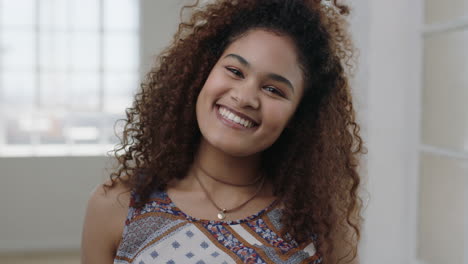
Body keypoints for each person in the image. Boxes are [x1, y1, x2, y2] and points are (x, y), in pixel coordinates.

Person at [81, 0, 364, 263]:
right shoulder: (116, 206)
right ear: (203, 71)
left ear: (298, 115)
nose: (244, 97)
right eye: (235, 71)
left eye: (273, 89)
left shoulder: (320, 227)